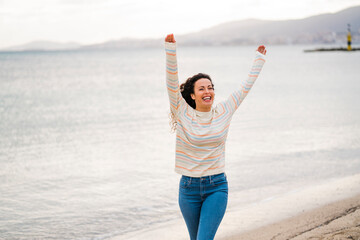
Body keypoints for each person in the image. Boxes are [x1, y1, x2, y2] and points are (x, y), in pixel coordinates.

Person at [165, 33, 266, 240]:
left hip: (216, 187)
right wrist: (170, 51)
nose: (207, 91)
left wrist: (258, 60)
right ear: (192, 95)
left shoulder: (224, 111)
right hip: (188, 189)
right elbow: (171, 82)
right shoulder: (182, 111)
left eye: (210, 87)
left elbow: (244, 88)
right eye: (201, 88)